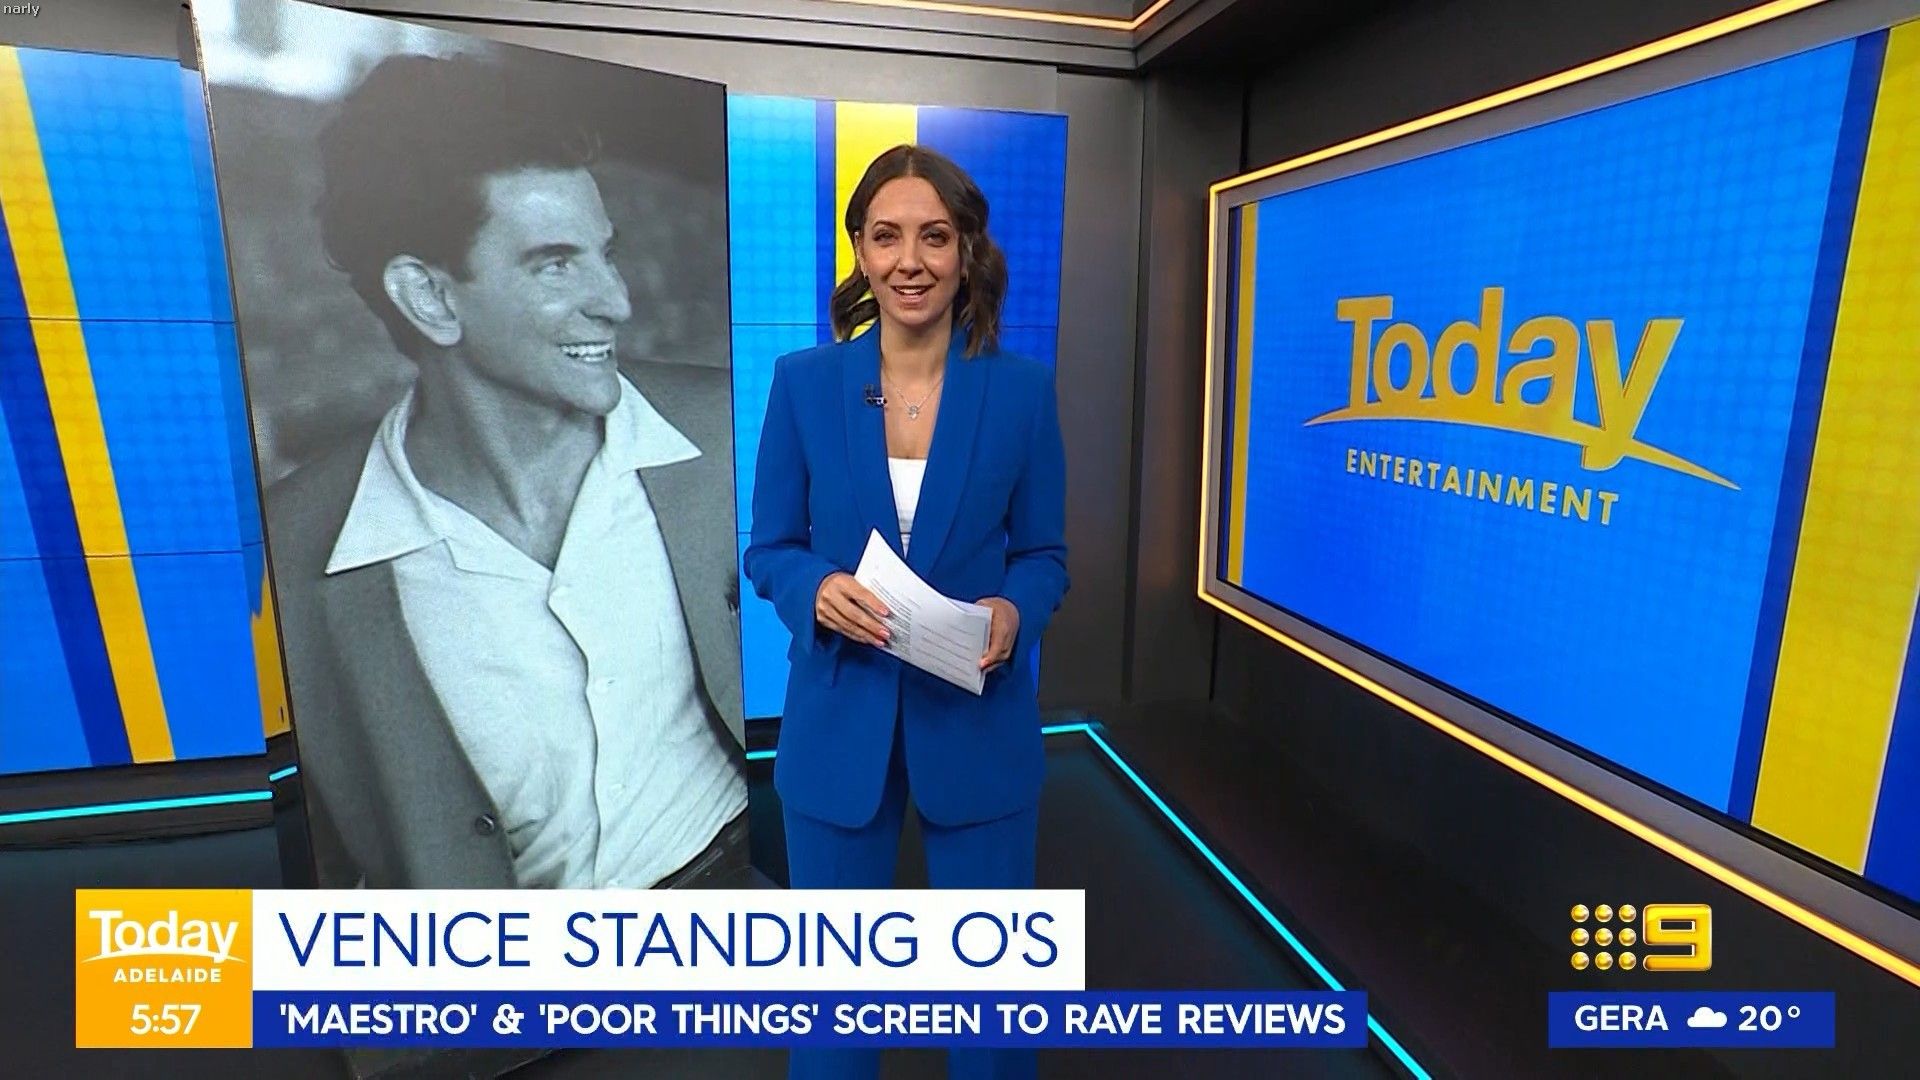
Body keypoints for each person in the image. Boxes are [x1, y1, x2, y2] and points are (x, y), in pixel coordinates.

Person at [265, 53, 746, 890]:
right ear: (430, 297)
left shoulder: (733, 432)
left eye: (605, 254)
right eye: (555, 264)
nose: (617, 301)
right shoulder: (291, 551)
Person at [744, 144, 1069, 1080]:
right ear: (861, 250)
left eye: (934, 237)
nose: (910, 261)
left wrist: (1014, 610)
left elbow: (1045, 556)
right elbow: (771, 547)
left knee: (993, 1012)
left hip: (977, 722)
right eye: (886, 237)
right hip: (838, 724)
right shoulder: (804, 383)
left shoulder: (1020, 391)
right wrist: (814, 590)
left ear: (966, 250)